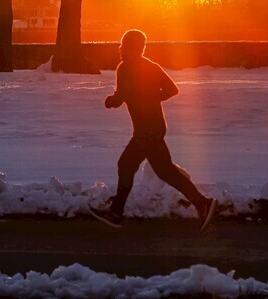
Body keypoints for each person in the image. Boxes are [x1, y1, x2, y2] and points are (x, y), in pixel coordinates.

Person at [90, 29, 216, 231]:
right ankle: (202, 203)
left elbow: (120, 97)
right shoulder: (152, 66)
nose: (122, 49)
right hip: (155, 127)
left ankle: (116, 212)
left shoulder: (124, 68)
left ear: (130, 47)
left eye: (125, 45)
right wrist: (152, 97)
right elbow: (172, 90)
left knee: (127, 165)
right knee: (163, 171)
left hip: (146, 132)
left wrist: (110, 101)